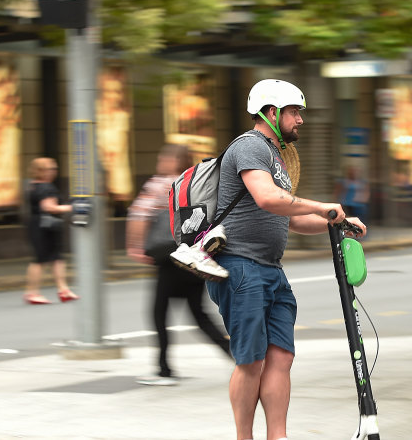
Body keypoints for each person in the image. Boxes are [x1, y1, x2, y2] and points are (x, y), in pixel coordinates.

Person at [203, 79, 367, 440]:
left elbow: (289, 217)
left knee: (281, 357)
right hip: (240, 268)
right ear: (271, 113)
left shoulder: (277, 157)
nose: (300, 120)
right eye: (294, 112)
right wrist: (323, 205)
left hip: (271, 270)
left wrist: (336, 220)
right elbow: (266, 198)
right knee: (251, 362)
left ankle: (278, 436)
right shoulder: (248, 147)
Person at [127, 144, 231, 385]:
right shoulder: (193, 182)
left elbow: (139, 214)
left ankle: (164, 369)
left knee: (159, 313)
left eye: (165, 157)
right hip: (194, 255)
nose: (160, 160)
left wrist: (134, 246)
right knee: (199, 314)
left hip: (169, 258)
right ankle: (234, 354)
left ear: (174, 160)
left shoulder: (160, 184)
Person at [24, 157, 78, 304]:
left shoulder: (32, 186)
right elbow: (49, 207)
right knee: (41, 259)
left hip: (38, 225)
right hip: (46, 226)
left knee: (55, 258)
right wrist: (73, 208)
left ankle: (63, 289)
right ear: (41, 171)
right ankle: (33, 292)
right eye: (51, 169)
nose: (54, 171)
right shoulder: (46, 187)